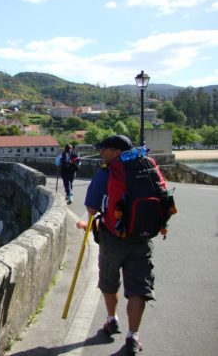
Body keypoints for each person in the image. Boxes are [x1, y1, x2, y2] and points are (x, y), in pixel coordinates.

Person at [79, 134, 155, 356]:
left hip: (113, 238)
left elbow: (92, 210)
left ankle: (111, 320)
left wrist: (88, 221)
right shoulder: (147, 169)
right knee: (139, 288)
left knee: (109, 283)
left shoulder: (107, 173)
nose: (102, 153)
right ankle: (133, 337)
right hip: (142, 239)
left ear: (117, 153)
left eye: (106, 149)